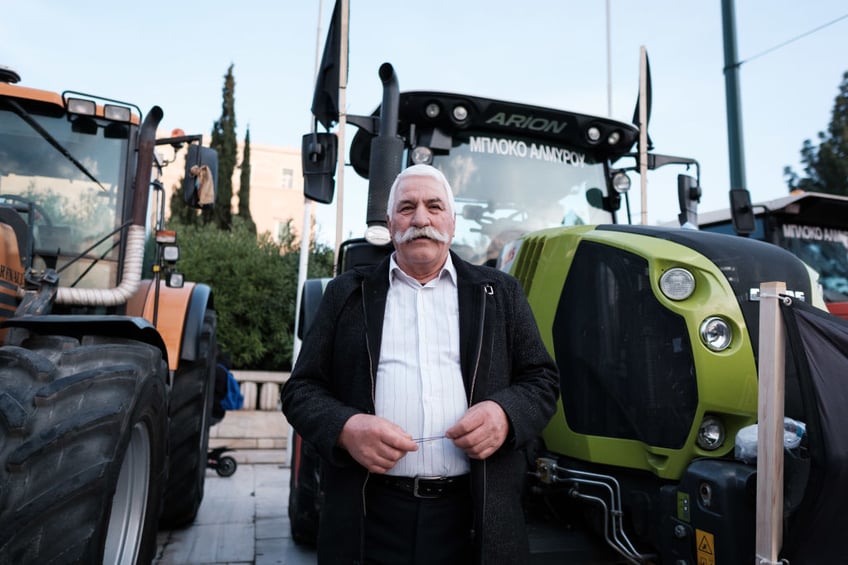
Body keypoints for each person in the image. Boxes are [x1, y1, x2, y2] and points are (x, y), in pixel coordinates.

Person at [281, 164, 559, 564]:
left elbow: (542, 380)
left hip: (474, 520)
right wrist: (345, 428)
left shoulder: (500, 294)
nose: (421, 219)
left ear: (452, 220)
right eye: (407, 208)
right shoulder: (346, 294)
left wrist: (505, 415)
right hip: (370, 518)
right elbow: (300, 390)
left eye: (434, 206)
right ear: (391, 222)